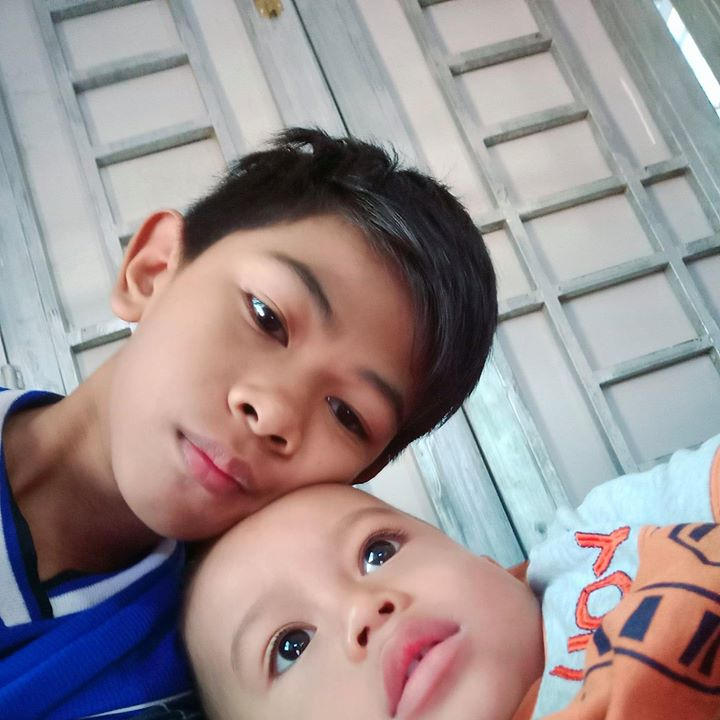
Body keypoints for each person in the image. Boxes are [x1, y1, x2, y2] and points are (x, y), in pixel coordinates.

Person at [0, 128, 497, 718]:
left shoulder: (204, 688)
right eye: (267, 317)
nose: (275, 414)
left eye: (347, 415)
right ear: (152, 271)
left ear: (361, 473)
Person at [183, 433, 720, 720]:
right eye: (291, 646)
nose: (364, 608)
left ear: (488, 565)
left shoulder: (591, 543)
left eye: (376, 553)